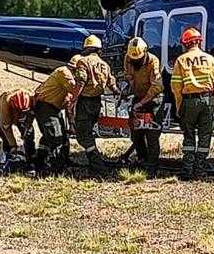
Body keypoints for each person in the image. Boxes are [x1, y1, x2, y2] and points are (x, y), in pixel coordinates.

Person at [170, 27, 214, 180]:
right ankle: (199, 170)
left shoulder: (181, 60)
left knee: (188, 137)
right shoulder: (211, 60)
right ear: (199, 42)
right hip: (208, 101)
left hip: (189, 101)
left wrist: (179, 105)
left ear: (185, 44)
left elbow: (176, 87)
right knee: (204, 137)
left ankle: (187, 171)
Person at [72, 34, 117, 177]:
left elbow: (81, 82)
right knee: (89, 132)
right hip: (97, 102)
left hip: (85, 102)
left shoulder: (83, 62)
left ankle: (98, 166)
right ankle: (93, 167)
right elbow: (112, 84)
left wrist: (73, 99)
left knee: (82, 135)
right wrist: (120, 93)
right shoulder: (104, 64)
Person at [122, 37, 164, 178]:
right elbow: (128, 77)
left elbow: (157, 86)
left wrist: (142, 103)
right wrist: (126, 91)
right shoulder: (128, 58)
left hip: (153, 100)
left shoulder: (153, 61)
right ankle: (142, 160)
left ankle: (151, 169)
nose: (135, 61)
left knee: (152, 136)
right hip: (138, 97)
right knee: (136, 134)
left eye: (138, 59)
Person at [32, 56, 80, 174]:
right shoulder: (63, 72)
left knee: (59, 136)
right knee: (55, 137)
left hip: (53, 108)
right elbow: (74, 89)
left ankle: (43, 161)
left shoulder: (65, 84)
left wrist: (72, 124)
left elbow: (69, 104)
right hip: (46, 107)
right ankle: (57, 168)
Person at [0, 88, 36, 171]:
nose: (21, 115)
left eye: (23, 112)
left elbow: (31, 116)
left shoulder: (31, 98)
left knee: (29, 134)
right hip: (7, 109)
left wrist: (26, 128)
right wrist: (13, 145)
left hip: (24, 109)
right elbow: (6, 127)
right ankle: (7, 155)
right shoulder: (5, 102)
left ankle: (31, 157)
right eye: (20, 112)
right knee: (4, 134)